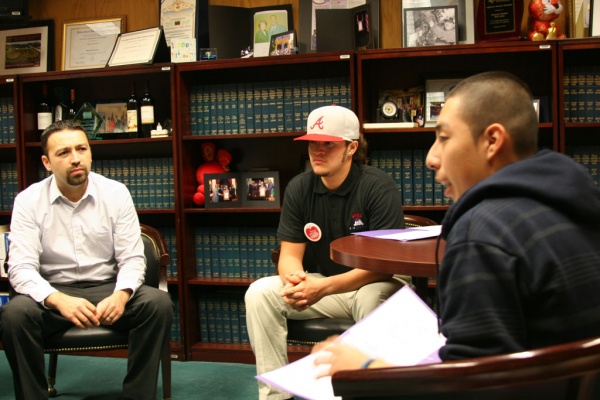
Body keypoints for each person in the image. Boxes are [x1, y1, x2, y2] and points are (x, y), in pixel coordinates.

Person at [311, 71, 600, 376]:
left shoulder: (483, 234)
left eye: (444, 138)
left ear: (492, 141)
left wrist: (366, 368)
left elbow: (469, 384)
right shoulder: (574, 204)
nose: (431, 158)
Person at [1, 119, 173, 399]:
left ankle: (137, 396)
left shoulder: (116, 193)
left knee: (158, 304)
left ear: (91, 152)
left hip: (107, 289)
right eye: (64, 153)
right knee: (14, 315)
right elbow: (20, 267)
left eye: (81, 149)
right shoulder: (28, 201)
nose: (75, 158)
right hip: (55, 293)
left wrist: (122, 294)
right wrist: (58, 299)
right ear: (47, 162)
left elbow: (132, 257)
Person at [245, 105, 406, 400]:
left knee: (373, 297)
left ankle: (365, 391)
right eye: (312, 143)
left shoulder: (377, 186)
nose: (317, 151)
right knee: (259, 293)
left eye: (328, 144)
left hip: (372, 282)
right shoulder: (299, 187)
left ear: (350, 148)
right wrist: (297, 283)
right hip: (324, 284)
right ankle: (275, 395)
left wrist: (321, 287)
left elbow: (384, 266)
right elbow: (290, 255)